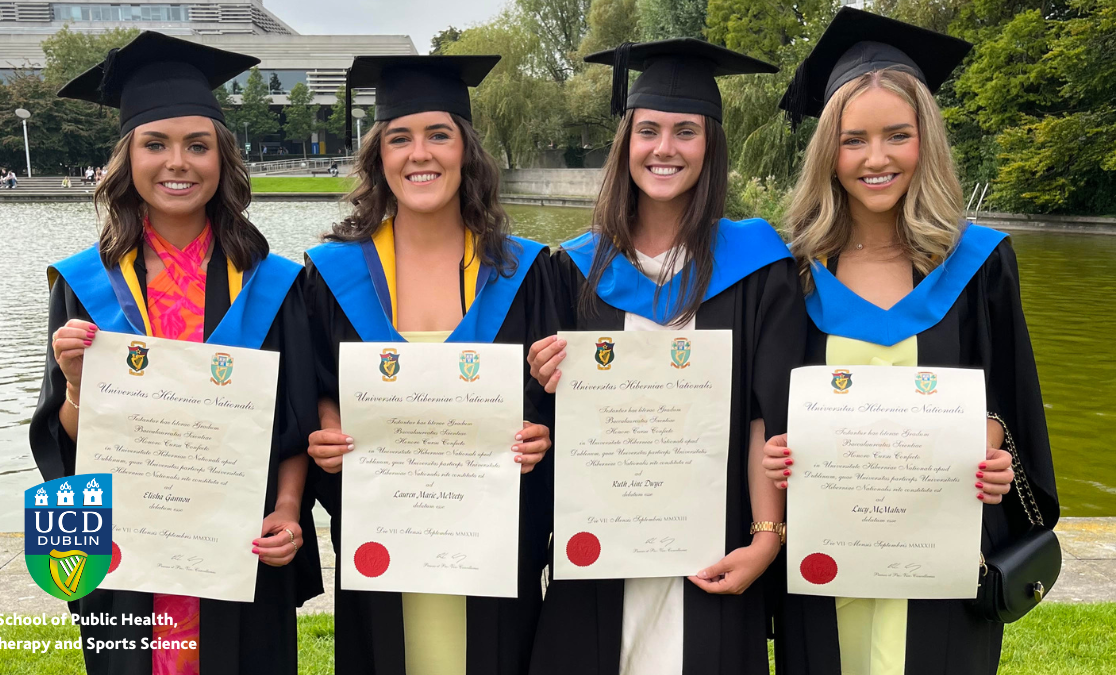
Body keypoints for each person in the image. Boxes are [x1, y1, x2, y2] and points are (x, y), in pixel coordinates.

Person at [767, 9, 1056, 675]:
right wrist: (775, 451)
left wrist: (999, 459)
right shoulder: (792, 272)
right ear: (826, 152)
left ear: (925, 141)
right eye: (853, 139)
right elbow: (756, 406)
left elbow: (1015, 413)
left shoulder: (980, 265)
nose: (876, 158)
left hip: (945, 569)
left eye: (898, 135)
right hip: (824, 566)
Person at [30, 31, 324, 675]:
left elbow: (296, 422)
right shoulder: (83, 284)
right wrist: (78, 385)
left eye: (198, 145)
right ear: (127, 159)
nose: (178, 163)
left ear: (223, 159)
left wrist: (285, 511)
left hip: (239, 538)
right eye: (155, 144)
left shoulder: (273, 284)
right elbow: (66, 441)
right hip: (129, 546)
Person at [523, 39, 807, 675]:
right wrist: (543, 379)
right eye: (648, 130)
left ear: (711, 146)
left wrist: (767, 540)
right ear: (626, 142)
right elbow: (543, 422)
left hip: (713, 537)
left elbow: (768, 414)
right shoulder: (572, 269)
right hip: (600, 541)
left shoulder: (759, 266)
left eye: (686, 131)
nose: (665, 148)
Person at [302, 54, 556, 675]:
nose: (420, 154)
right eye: (399, 138)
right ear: (379, 158)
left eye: (438, 134)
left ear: (465, 150)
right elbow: (310, 385)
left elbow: (556, 399)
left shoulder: (527, 272)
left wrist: (545, 433)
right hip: (383, 533)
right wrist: (326, 430)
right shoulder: (329, 276)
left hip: (495, 542)